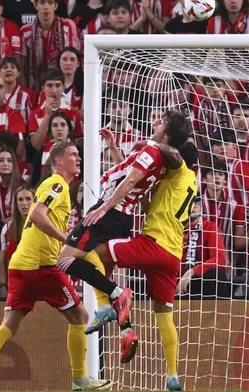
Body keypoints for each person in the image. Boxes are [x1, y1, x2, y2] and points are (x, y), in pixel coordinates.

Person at [0, 141, 111, 392]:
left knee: (9, 324)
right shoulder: (57, 183)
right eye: (72, 154)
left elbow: (39, 215)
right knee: (80, 317)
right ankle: (80, 381)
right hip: (40, 266)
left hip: (20, 264)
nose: (78, 158)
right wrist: (65, 238)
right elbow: (37, 215)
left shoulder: (50, 185)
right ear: (58, 161)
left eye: (78, 154)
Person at [55, 111, 190, 363]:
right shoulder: (156, 155)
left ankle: (116, 295)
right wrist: (115, 149)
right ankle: (125, 329)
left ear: (167, 134)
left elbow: (129, 182)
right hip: (122, 215)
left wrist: (103, 208)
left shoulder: (153, 152)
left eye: (161, 122)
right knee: (101, 267)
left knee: (64, 260)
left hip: (110, 212)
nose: (156, 121)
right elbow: (130, 173)